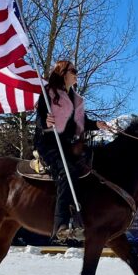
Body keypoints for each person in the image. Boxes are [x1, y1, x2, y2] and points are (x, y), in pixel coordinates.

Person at [33, 60, 110, 242]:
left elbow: (81, 123)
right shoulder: (48, 93)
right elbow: (39, 119)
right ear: (62, 73)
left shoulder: (75, 98)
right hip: (48, 144)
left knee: (90, 168)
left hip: (67, 145)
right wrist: (46, 123)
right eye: (73, 71)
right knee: (67, 172)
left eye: (76, 71)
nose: (76, 74)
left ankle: (82, 217)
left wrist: (97, 125)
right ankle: (60, 224)